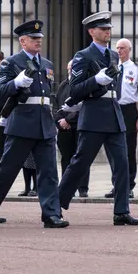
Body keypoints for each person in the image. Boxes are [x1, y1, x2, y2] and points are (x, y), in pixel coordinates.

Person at [0, 20, 68, 229]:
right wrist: (15, 83)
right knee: (7, 169)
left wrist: (52, 119)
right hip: (22, 122)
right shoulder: (11, 63)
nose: (38, 42)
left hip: (43, 122)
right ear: (22, 41)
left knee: (49, 171)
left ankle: (51, 213)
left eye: (39, 39)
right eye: (34, 39)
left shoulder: (46, 64)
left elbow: (47, 96)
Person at [58, 12, 138, 226]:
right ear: (91, 32)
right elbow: (75, 90)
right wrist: (96, 80)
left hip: (113, 113)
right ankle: (55, 203)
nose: (107, 31)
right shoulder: (82, 56)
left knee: (122, 164)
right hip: (94, 114)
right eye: (102, 28)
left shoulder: (113, 56)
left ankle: (121, 210)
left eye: (108, 28)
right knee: (80, 163)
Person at [105, 38, 138, 199]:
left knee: (128, 149)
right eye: (117, 48)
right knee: (111, 148)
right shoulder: (111, 68)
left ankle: (129, 185)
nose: (119, 51)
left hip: (128, 109)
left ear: (129, 50)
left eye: (122, 48)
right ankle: (116, 183)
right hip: (112, 107)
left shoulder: (136, 69)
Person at [52, 60, 89, 198]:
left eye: (72, 68)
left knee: (81, 157)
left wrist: (68, 120)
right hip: (63, 128)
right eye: (68, 68)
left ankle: (82, 187)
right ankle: (66, 187)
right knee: (65, 158)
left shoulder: (82, 85)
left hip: (78, 125)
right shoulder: (62, 85)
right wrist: (59, 121)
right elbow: (56, 105)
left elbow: (84, 105)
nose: (70, 70)